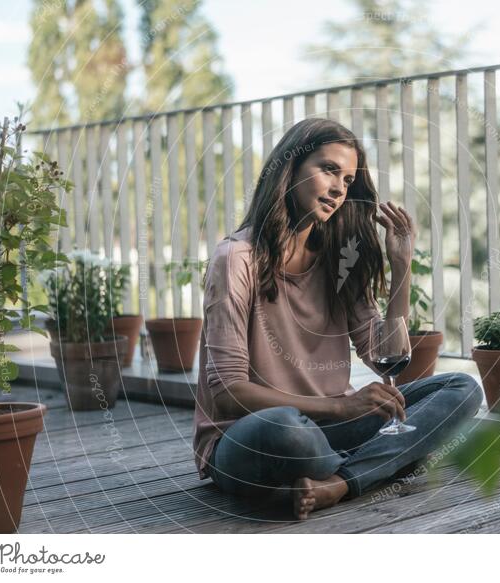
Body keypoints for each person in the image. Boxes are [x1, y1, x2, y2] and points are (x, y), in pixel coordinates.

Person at [192, 117, 483, 520]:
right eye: (329, 170)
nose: (338, 189)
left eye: (347, 181)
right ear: (288, 170)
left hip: (330, 427)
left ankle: (338, 481)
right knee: (288, 430)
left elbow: (384, 353)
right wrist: (339, 408)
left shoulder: (341, 260)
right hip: (251, 436)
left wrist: (401, 268)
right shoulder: (235, 260)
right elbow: (228, 392)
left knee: (461, 388)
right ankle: (378, 463)